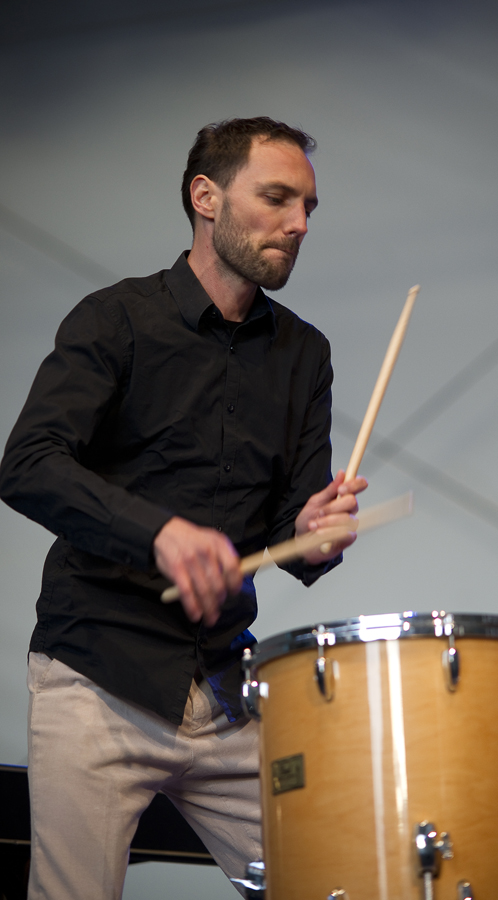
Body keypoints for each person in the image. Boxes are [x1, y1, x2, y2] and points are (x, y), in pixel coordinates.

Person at [0, 116, 367, 899]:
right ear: (206, 196)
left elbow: (288, 534)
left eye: (307, 206)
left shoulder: (306, 354)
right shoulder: (115, 320)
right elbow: (27, 465)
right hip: (97, 678)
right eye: (275, 197)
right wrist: (159, 534)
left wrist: (313, 537)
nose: (298, 223)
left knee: (338, 881)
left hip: (224, 688)